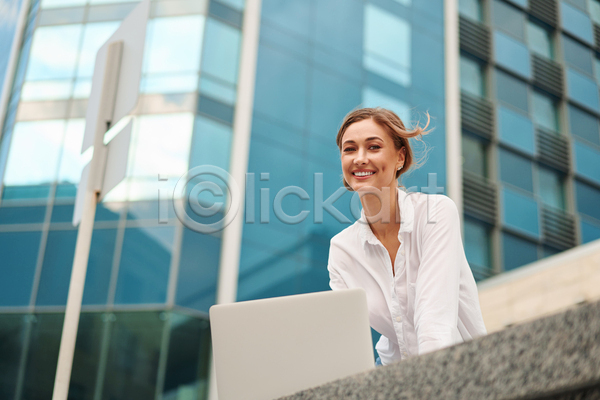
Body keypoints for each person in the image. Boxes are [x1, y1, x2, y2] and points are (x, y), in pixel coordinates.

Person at [327, 107, 487, 366]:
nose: (360, 158)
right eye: (349, 149)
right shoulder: (342, 250)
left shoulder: (435, 214)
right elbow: (346, 339)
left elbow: (434, 323)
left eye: (374, 147)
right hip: (393, 370)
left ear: (400, 157)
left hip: (459, 367)